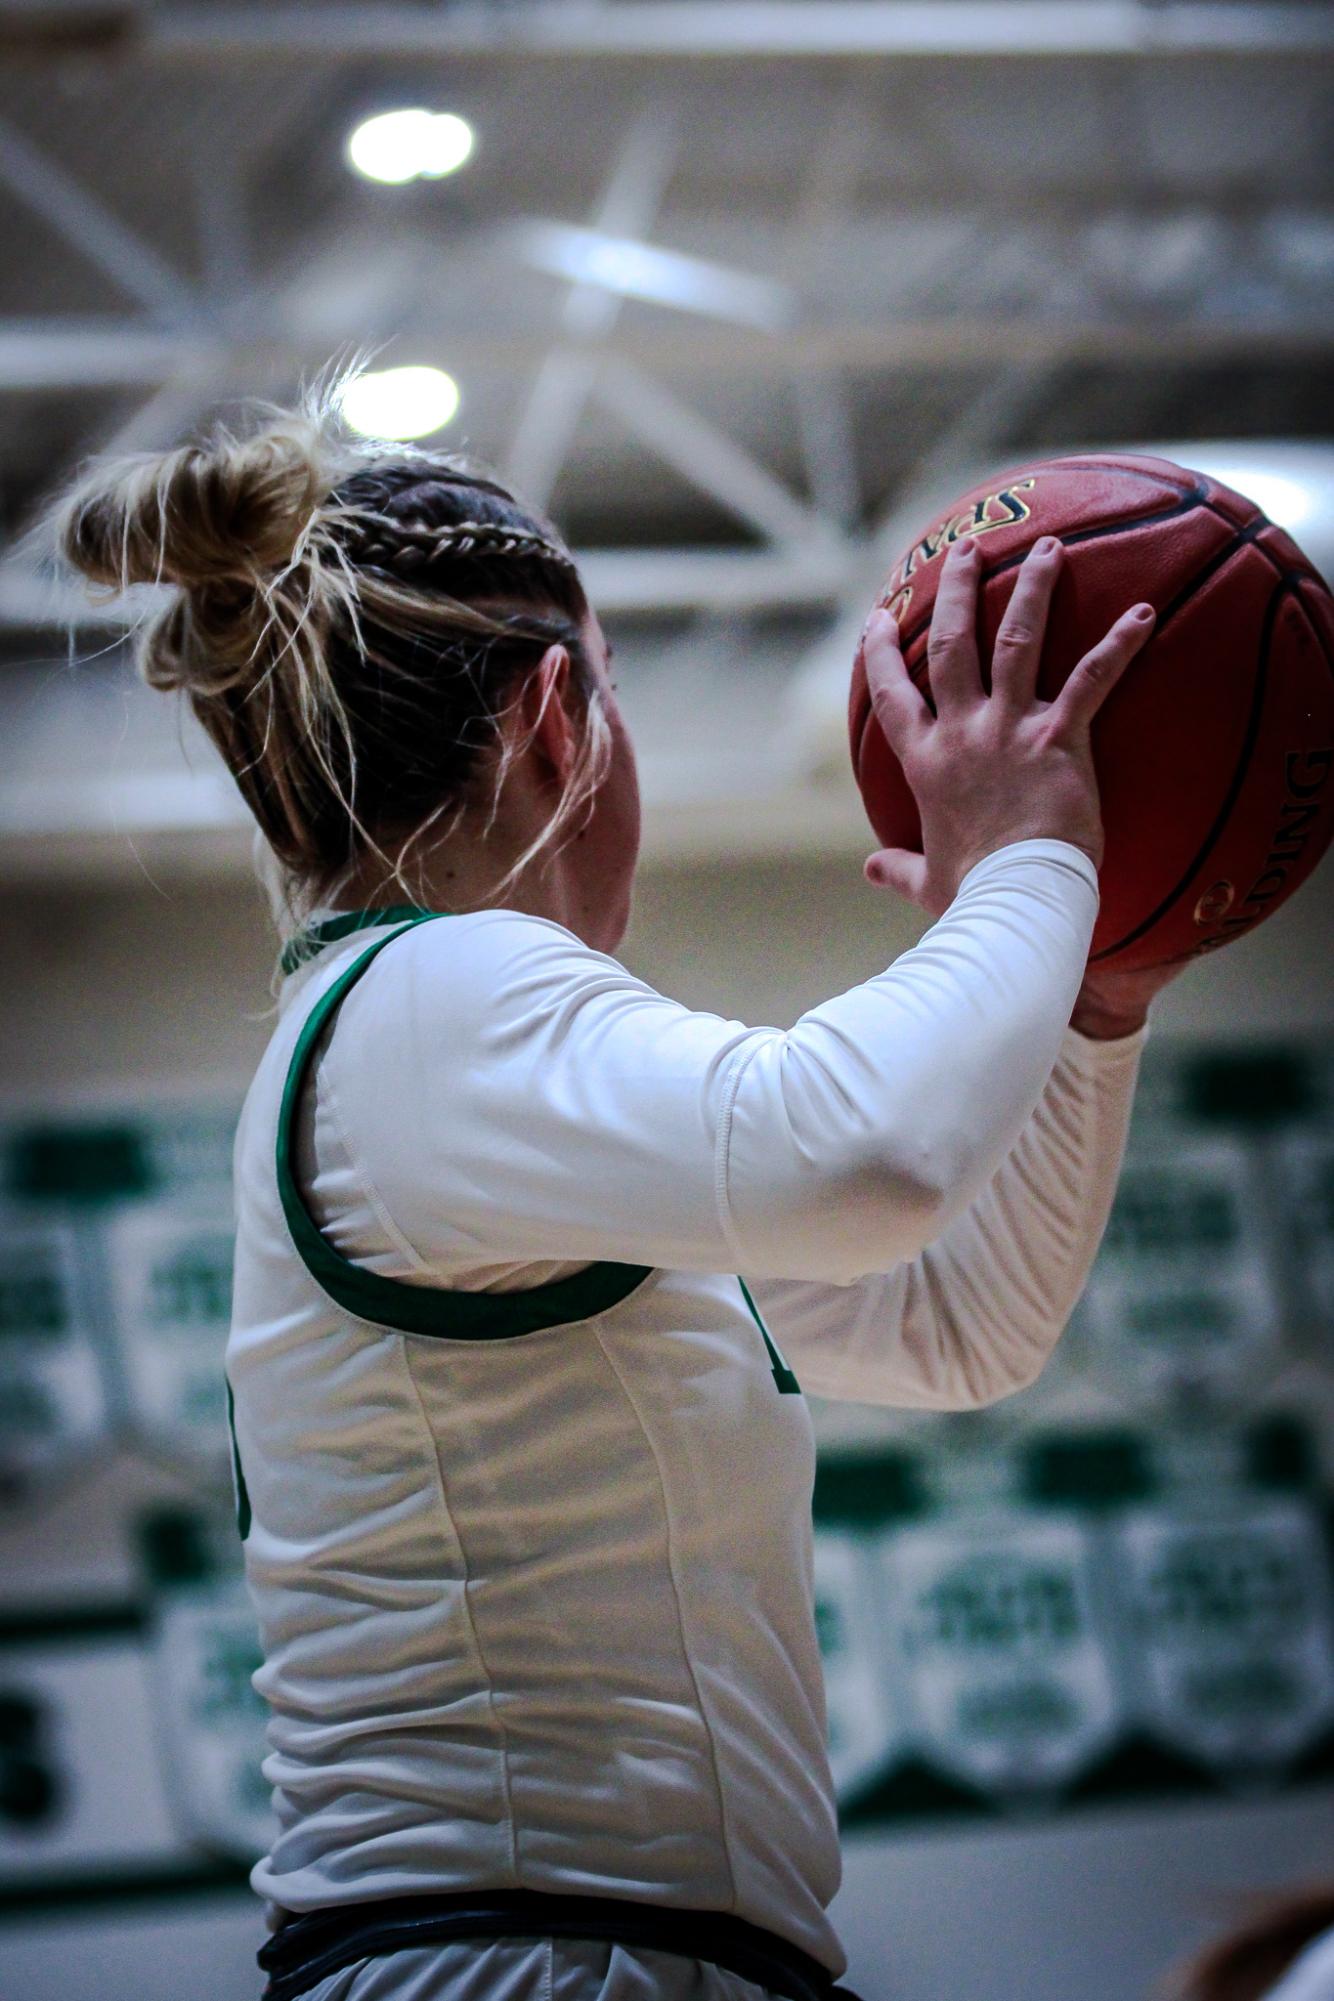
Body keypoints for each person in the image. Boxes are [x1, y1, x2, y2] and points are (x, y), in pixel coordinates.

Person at [57, 392, 1177, 2001]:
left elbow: (952, 1325)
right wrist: (1028, 861)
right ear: (554, 720)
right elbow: (863, 1154)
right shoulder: (437, 1000)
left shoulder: (435, 1051)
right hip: (521, 1953)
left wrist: (1088, 1001)